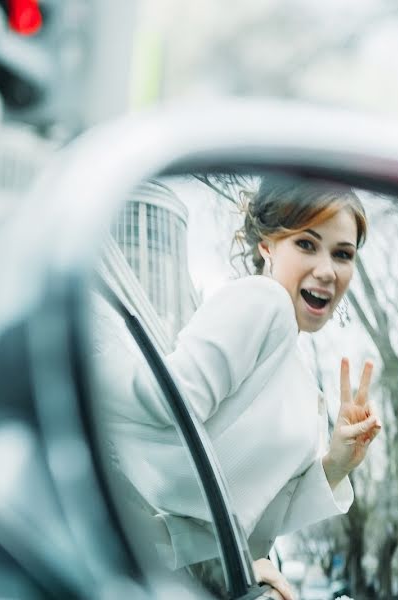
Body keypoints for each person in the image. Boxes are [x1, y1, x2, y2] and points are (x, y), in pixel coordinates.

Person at [92, 174, 382, 600]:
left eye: (343, 254)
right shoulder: (264, 302)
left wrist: (337, 461)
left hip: (196, 575)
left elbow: (264, 515)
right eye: (306, 244)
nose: (326, 270)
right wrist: (82, 365)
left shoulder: (301, 380)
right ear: (267, 245)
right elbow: (167, 398)